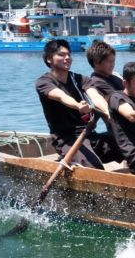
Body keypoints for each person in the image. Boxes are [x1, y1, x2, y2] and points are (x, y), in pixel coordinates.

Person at [35, 39, 118, 170]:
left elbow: (96, 97)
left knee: (127, 142)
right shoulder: (44, 82)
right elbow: (61, 96)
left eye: (68, 55)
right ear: (49, 59)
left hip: (90, 134)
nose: (67, 58)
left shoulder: (80, 79)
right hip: (67, 139)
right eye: (61, 55)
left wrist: (108, 113)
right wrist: (78, 105)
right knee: (94, 169)